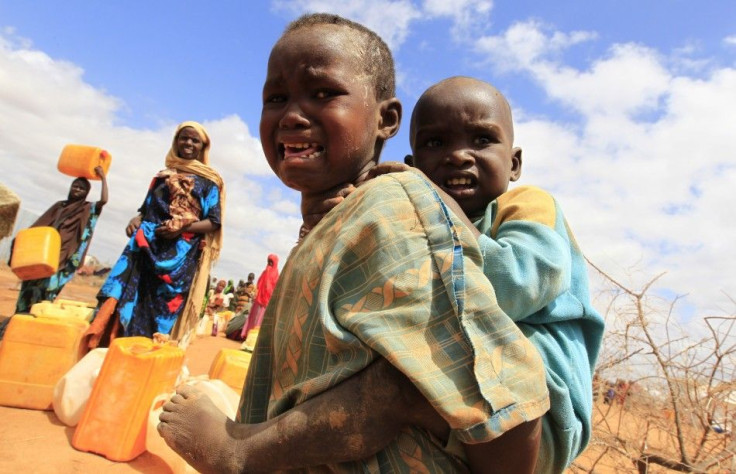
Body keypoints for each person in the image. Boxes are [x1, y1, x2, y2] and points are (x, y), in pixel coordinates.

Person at [158, 13, 549, 473]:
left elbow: (504, 409)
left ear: (386, 120)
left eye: (324, 93)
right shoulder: (336, 225)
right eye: (276, 98)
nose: (292, 115)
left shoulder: (390, 209)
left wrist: (242, 454)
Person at [401, 76, 605, 473]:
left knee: (385, 393)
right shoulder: (418, 224)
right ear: (413, 167)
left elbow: (518, 284)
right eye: (435, 143)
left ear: (514, 164)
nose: (458, 155)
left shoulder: (527, 204)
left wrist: (432, 209)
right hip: (470, 393)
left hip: (544, 408)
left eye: (481, 140)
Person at [84, 121, 224, 348]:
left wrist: (181, 227)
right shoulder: (161, 176)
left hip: (178, 259)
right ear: (176, 141)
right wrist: (135, 220)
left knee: (160, 311)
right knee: (126, 301)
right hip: (143, 246)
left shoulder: (209, 182)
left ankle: (144, 360)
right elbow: (145, 209)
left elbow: (214, 222)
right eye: (183, 138)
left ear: (202, 147)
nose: (188, 142)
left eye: (194, 140)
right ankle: (110, 351)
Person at [0, 167, 108, 339]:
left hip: (64, 259)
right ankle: (17, 322)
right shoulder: (59, 206)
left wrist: (102, 177)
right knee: (28, 289)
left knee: (46, 293)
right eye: (75, 186)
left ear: (87, 192)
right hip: (43, 253)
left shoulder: (87, 209)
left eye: (81, 188)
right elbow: (39, 225)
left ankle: (30, 328)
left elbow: (103, 200)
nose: (77, 190)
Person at [239, 254, 278, 341]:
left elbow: (275, 289)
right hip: (259, 300)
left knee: (261, 320)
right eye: (268, 261)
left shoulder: (276, 275)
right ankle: (248, 336)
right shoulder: (264, 273)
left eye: (271, 262)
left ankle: (256, 340)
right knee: (254, 318)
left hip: (267, 302)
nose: (269, 263)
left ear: (275, 263)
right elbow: (259, 285)